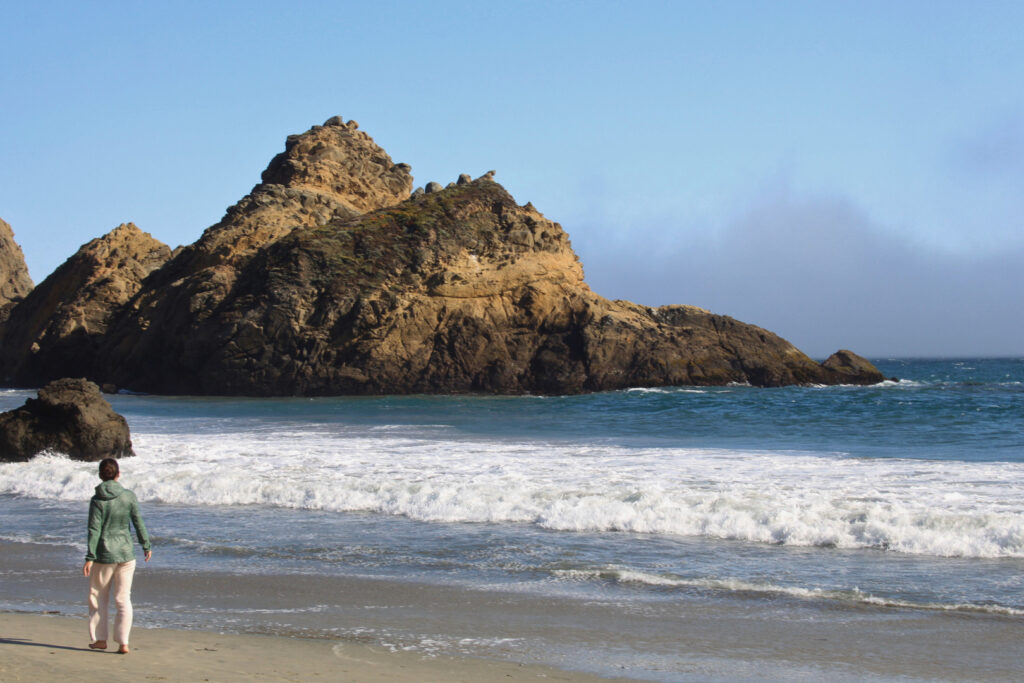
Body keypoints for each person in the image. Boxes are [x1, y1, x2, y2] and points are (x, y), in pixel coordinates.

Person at [82, 457, 152, 654]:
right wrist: (146, 544)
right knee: (123, 599)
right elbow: (138, 521)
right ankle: (123, 643)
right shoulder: (128, 496)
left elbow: (93, 530)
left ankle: (100, 640)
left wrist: (89, 557)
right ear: (118, 474)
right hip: (126, 554)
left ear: (100, 475)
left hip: (104, 555)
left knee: (98, 597)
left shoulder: (97, 500)